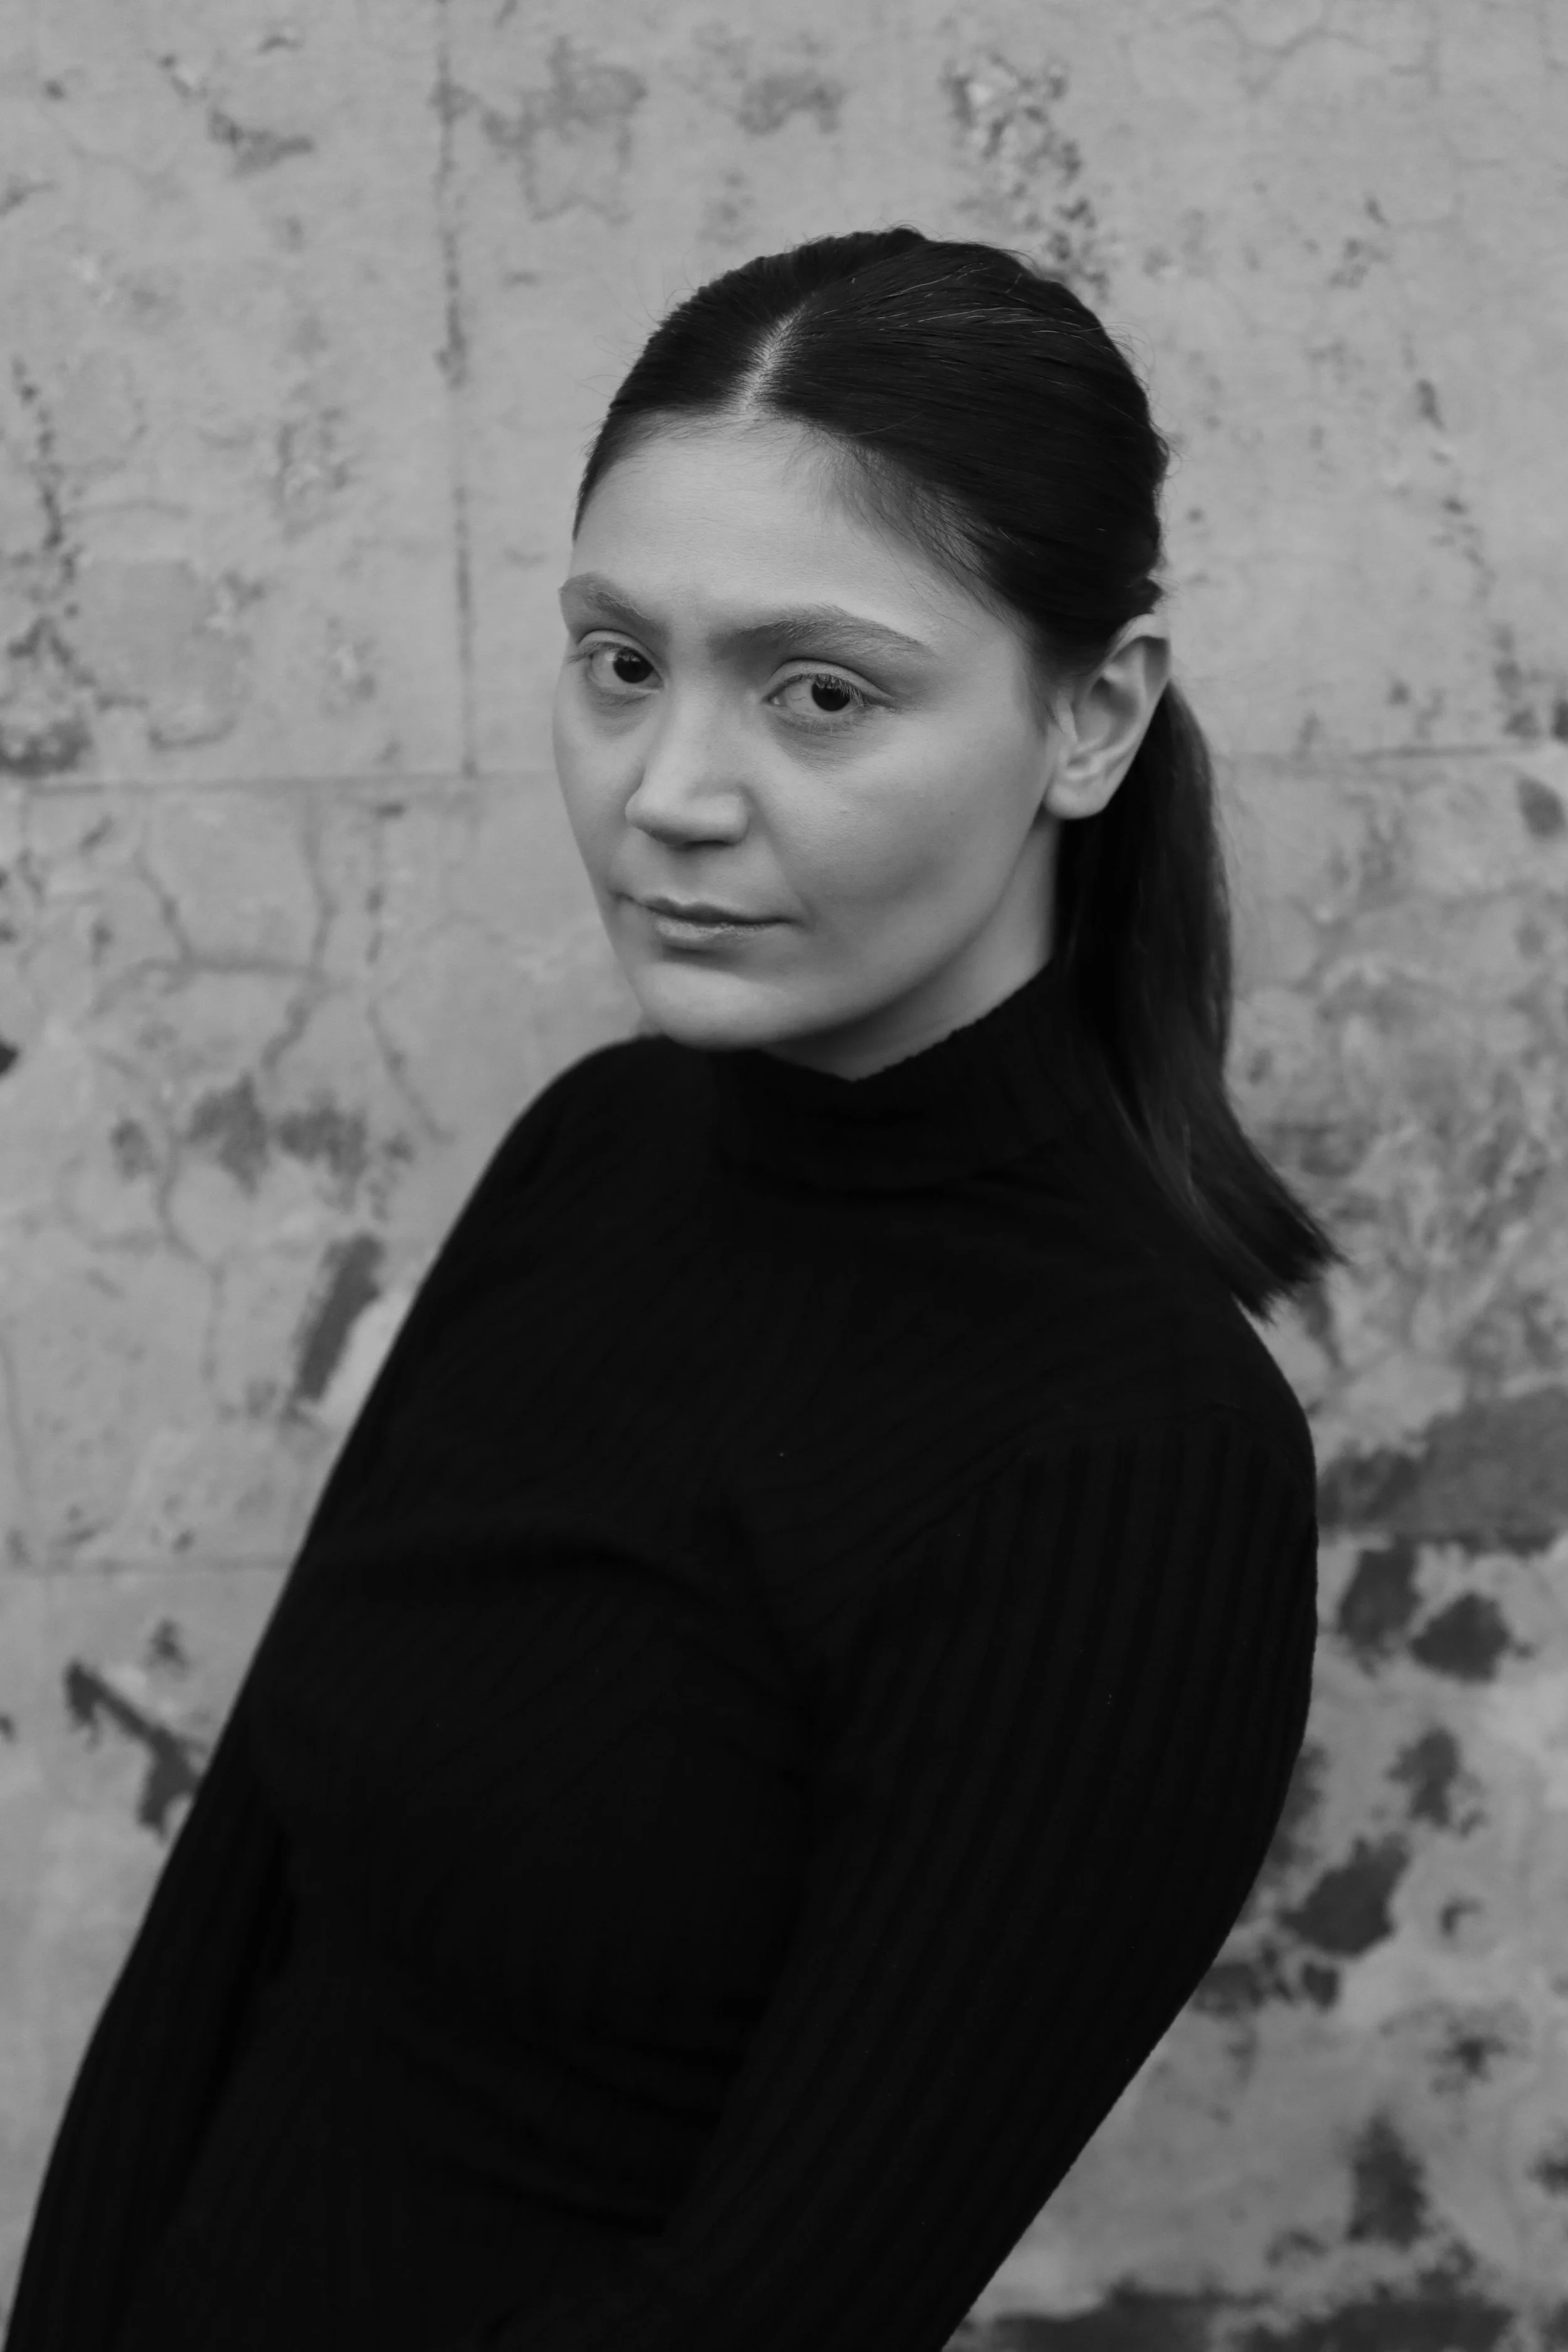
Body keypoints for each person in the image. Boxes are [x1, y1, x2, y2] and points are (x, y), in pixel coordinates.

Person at [4, 226, 1347, 2352]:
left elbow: (767, 2312)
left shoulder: (1133, 1458)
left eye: (821, 693)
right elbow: (236, 1907)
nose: (670, 794)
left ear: (1090, 715)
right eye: (621, 662)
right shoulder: (597, 1148)